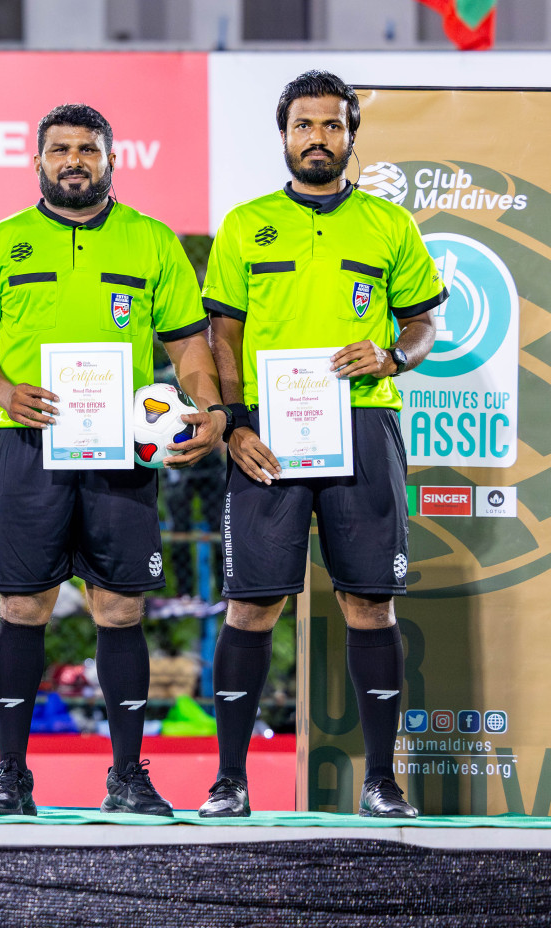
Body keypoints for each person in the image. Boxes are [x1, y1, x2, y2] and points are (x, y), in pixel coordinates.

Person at [0, 103, 224, 817]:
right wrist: (5, 391)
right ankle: (10, 776)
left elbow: (190, 348)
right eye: (60, 149)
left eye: (88, 149)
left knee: (120, 607)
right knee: (22, 605)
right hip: (29, 447)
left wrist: (206, 408)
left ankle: (128, 776)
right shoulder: (0, 244)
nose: (74, 160)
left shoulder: (152, 241)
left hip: (122, 451)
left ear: (112, 159)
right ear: (37, 161)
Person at [199, 70, 443, 819]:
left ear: (350, 137)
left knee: (370, 605)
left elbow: (425, 323)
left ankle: (381, 782)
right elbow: (224, 335)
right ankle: (230, 782)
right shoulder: (245, 224)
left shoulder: (388, 224)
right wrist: (235, 423)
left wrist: (394, 356)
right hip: (269, 432)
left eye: (332, 126)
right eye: (304, 125)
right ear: (284, 135)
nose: (317, 138)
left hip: (364, 425)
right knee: (252, 608)